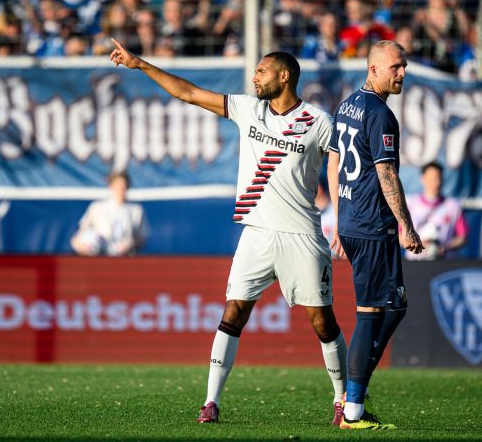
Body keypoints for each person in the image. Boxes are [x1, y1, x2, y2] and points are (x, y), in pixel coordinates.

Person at [109, 39, 348, 426]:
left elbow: (339, 168)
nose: (254, 78)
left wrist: (343, 217)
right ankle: (211, 402)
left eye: (261, 71)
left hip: (302, 234)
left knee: (322, 321)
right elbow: (187, 93)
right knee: (233, 311)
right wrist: (141, 65)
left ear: (284, 77)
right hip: (256, 232)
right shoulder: (248, 109)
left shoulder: (319, 122)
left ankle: (342, 401)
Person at [327, 40, 424, 430]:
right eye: (395, 67)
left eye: (404, 67)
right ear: (373, 69)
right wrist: (406, 225)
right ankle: (352, 408)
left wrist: (338, 217)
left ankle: (357, 386)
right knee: (369, 312)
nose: (401, 73)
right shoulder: (381, 116)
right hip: (371, 226)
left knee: (396, 304)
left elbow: (333, 162)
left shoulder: (348, 104)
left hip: (353, 222)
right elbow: (387, 175)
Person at [70, 171, 148, 257]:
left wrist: (129, 244)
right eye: (118, 185)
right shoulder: (96, 207)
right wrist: (78, 244)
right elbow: (82, 230)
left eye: (124, 185)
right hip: (99, 257)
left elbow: (142, 238)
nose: (121, 188)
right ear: (111, 186)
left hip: (125, 257)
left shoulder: (136, 210)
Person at [405, 162, 467, 260]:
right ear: (423, 179)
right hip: (415, 262)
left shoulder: (453, 205)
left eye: (439, 178)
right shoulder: (410, 204)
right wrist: (415, 244)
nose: (436, 182)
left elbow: (463, 237)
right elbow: (400, 235)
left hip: (443, 263)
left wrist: (444, 247)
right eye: (432, 179)